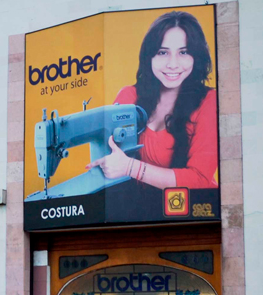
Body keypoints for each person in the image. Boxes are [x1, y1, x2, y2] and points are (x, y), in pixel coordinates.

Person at [88, 11, 219, 190]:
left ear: (196, 57)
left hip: (193, 203)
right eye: (163, 52)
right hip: (141, 204)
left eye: (184, 52)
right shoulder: (129, 97)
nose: (172, 64)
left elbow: (200, 178)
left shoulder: (208, 101)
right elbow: (111, 158)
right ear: (149, 56)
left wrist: (131, 167)